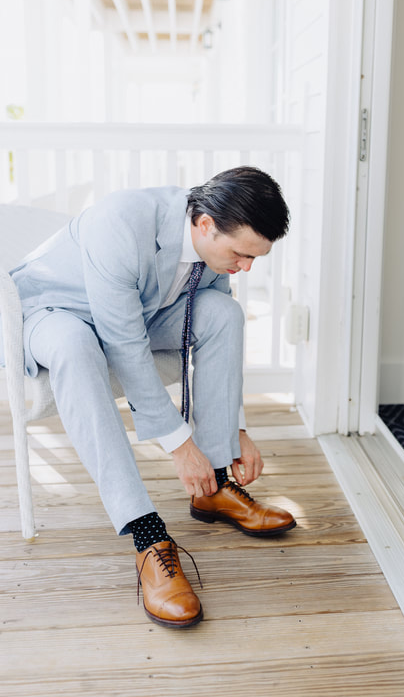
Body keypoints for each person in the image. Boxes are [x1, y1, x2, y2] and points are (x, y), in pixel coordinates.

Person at [2, 166, 296, 629]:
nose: (246, 266)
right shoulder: (120, 222)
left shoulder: (212, 250)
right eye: (241, 253)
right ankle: (148, 535)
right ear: (204, 225)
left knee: (224, 312)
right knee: (75, 349)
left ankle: (214, 485)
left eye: (255, 258)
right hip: (55, 309)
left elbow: (202, 312)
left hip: (140, 308)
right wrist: (180, 446)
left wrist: (236, 430)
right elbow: (125, 344)